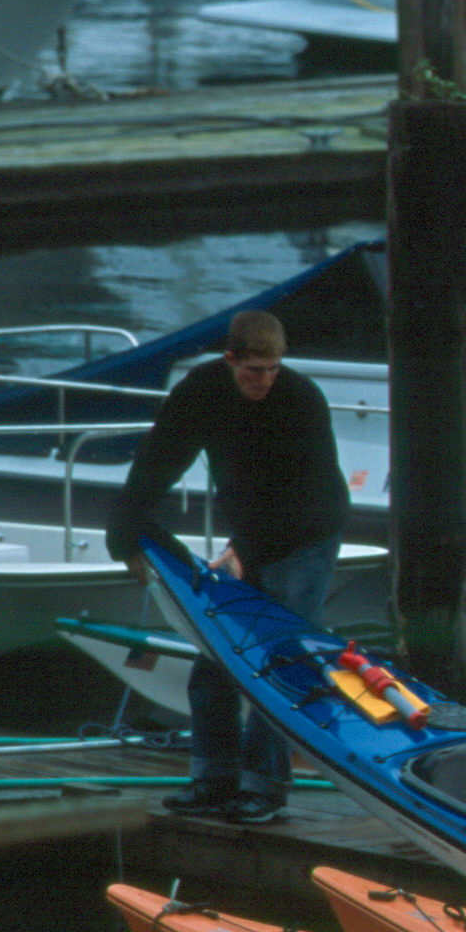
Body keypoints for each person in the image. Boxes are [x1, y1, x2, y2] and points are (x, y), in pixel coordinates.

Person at [114, 310, 351, 826]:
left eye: (272, 369)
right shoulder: (202, 391)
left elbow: (303, 494)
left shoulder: (301, 400)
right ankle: (213, 778)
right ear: (230, 360)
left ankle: (264, 787)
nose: (263, 381)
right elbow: (157, 460)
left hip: (307, 532)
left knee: (274, 661)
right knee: (217, 658)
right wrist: (126, 535)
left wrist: (248, 548)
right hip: (255, 530)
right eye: (253, 370)